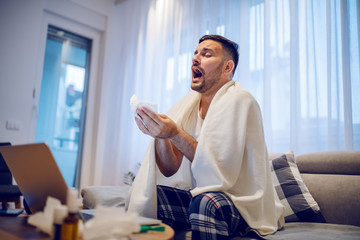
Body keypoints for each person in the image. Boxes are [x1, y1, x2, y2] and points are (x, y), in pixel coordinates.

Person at [127, 35, 284, 239]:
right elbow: (169, 168)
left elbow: (219, 171)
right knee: (149, 197)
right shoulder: (189, 105)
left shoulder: (240, 100)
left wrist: (174, 132)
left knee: (206, 202)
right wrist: (161, 136)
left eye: (206, 54)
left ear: (228, 68)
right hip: (204, 198)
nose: (195, 58)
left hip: (241, 204)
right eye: (195, 53)